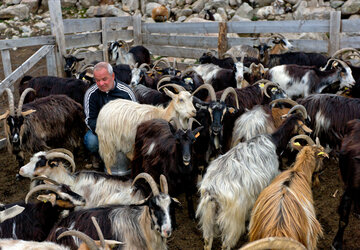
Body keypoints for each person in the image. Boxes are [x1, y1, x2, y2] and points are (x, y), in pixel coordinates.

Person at [83, 61, 137, 174]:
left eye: (104, 79)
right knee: (91, 141)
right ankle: (101, 158)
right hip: (102, 132)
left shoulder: (126, 92)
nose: (101, 83)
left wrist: (121, 132)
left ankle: (129, 163)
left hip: (123, 133)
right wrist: (105, 132)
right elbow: (90, 120)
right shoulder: (91, 94)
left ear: (112, 76)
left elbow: (135, 116)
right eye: (97, 80)